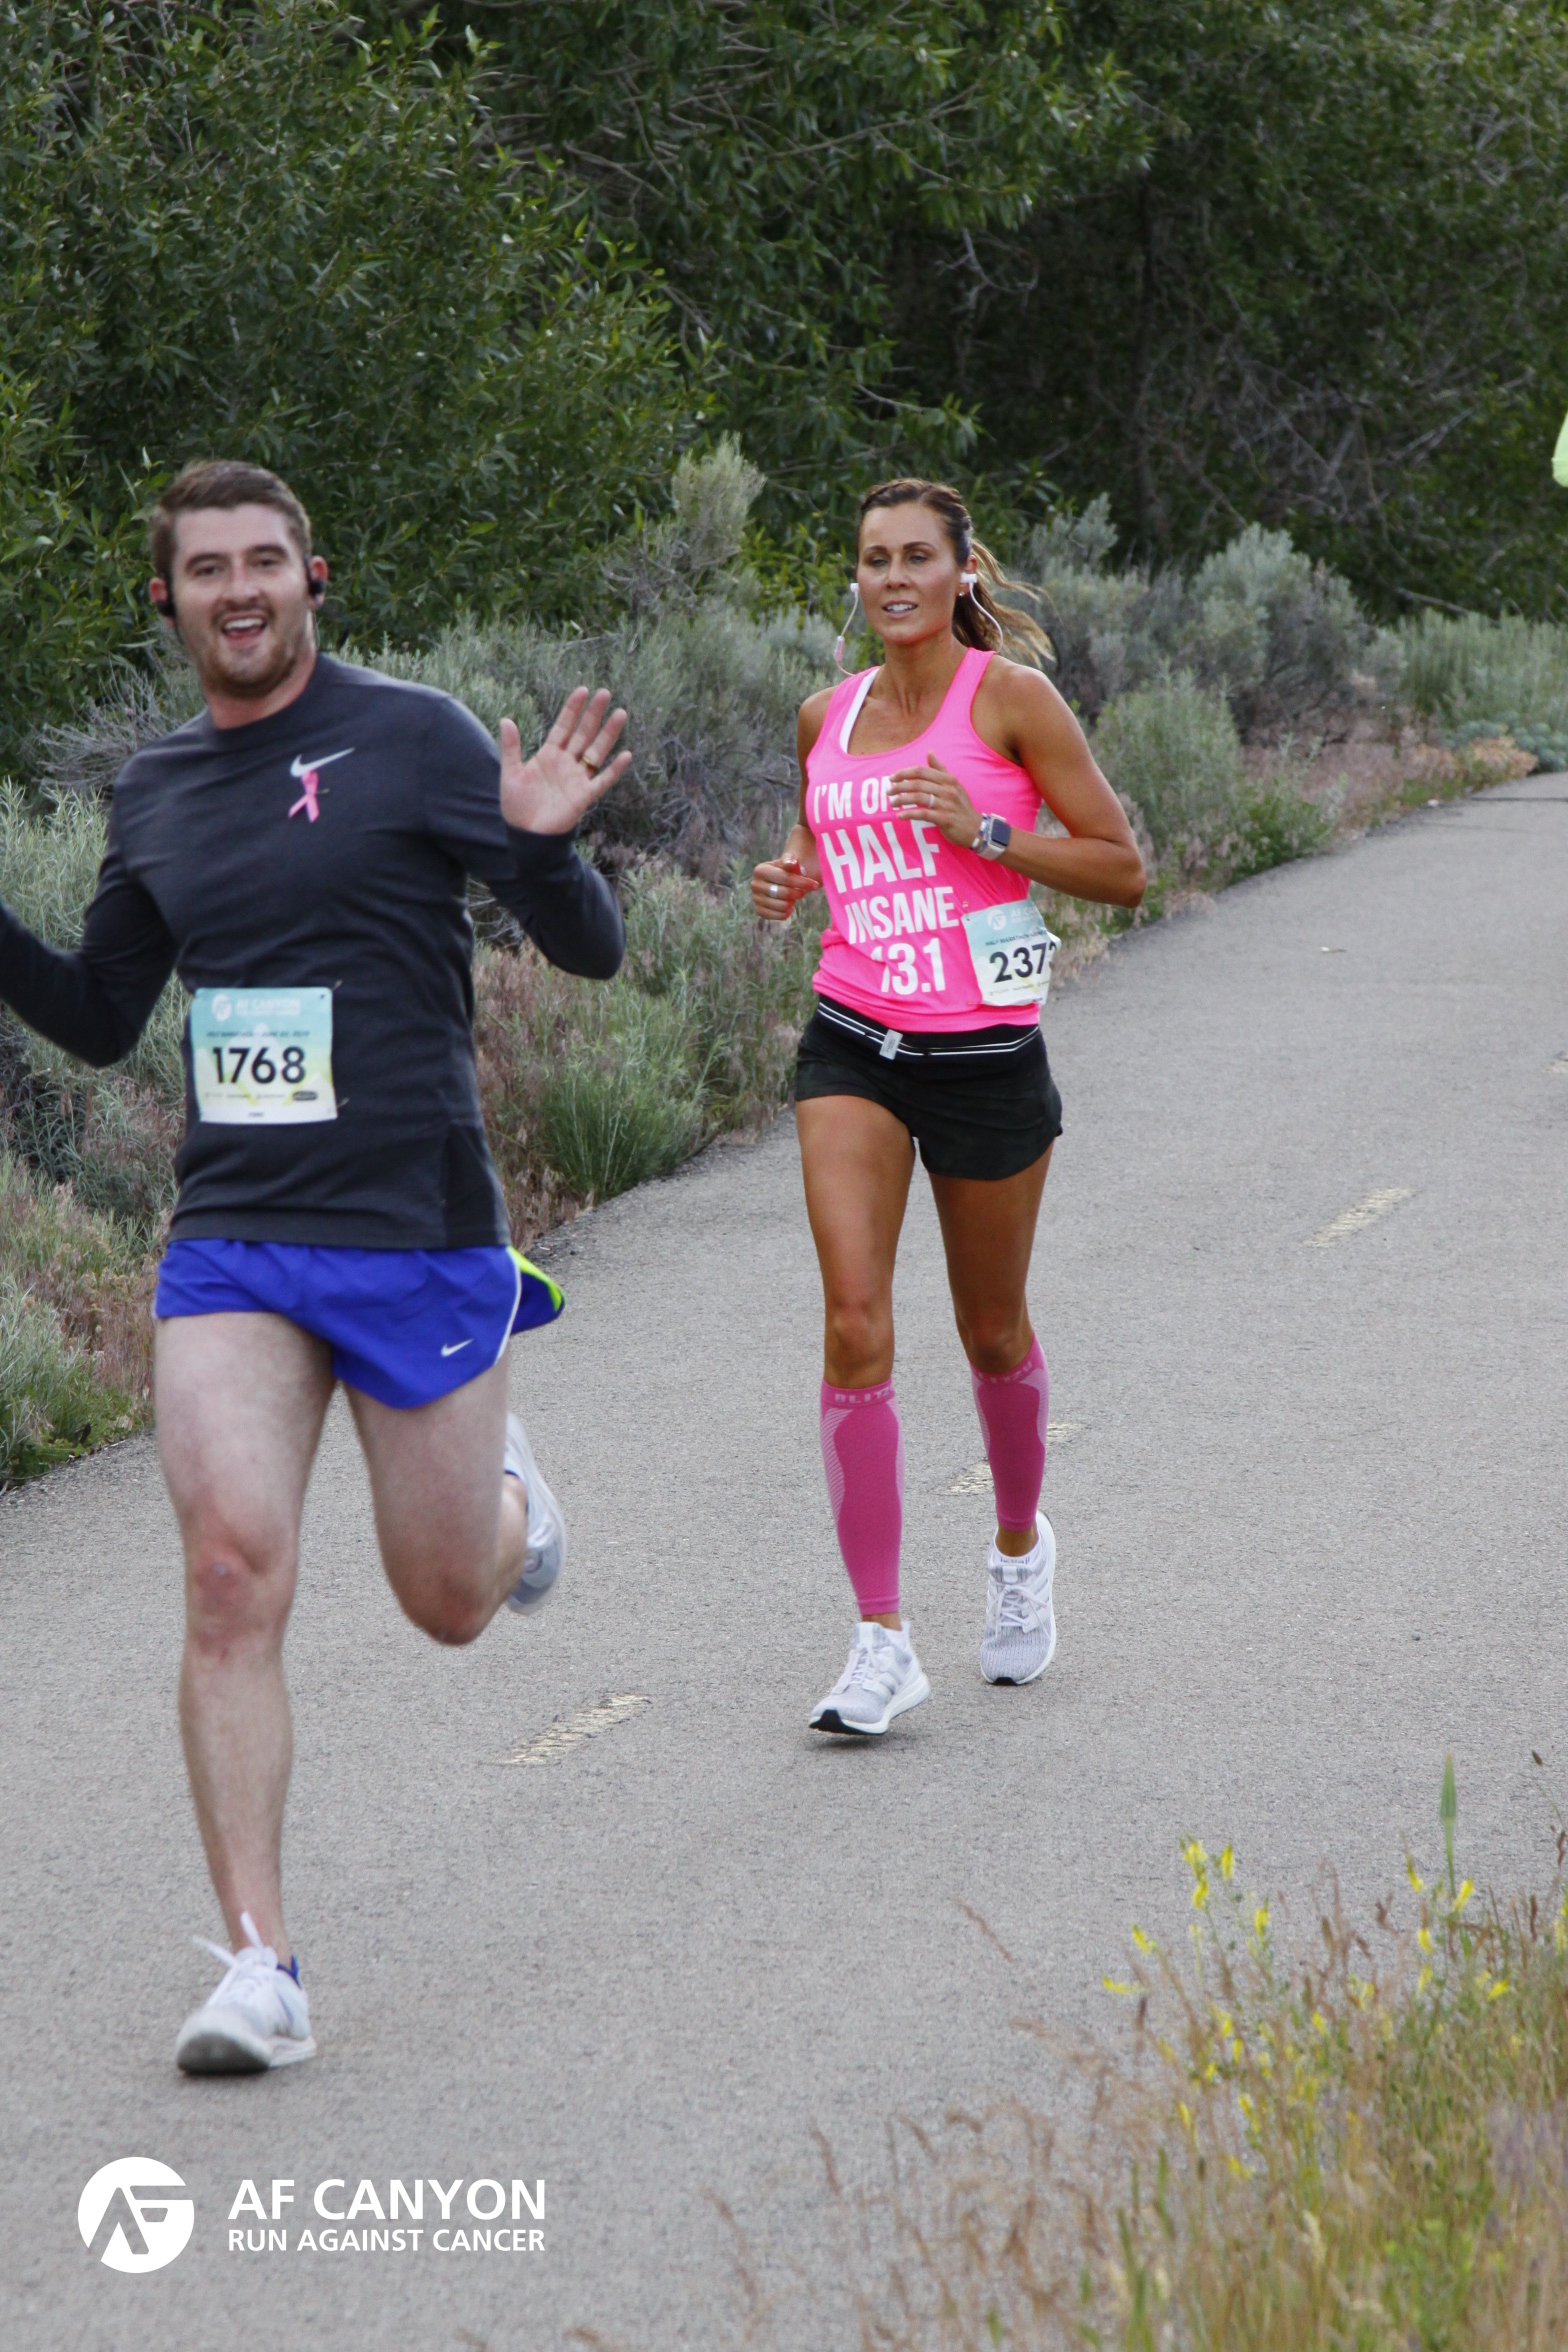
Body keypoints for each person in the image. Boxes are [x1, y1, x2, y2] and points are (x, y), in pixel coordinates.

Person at [0, 459, 631, 2069]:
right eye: (207, 568)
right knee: (228, 1575)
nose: (240, 590)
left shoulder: (414, 736)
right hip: (234, 1238)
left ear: (312, 576)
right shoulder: (156, 790)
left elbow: (594, 950)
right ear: (166, 599)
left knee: (446, 1603)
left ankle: (511, 1510)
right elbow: (101, 1018)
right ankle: (258, 1966)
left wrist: (544, 852)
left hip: (413, 1228)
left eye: (265, 561)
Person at [752, 479, 1146, 1735]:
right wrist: (789, 878)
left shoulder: (1011, 700)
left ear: (960, 570)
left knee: (989, 1331)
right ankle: (879, 1640)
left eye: (915, 556)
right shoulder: (825, 714)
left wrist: (984, 829)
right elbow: (822, 841)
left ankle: (1019, 1549)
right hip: (853, 1042)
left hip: (983, 1056)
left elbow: (1121, 868)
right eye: (873, 559)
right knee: (852, 1322)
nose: (892, 579)